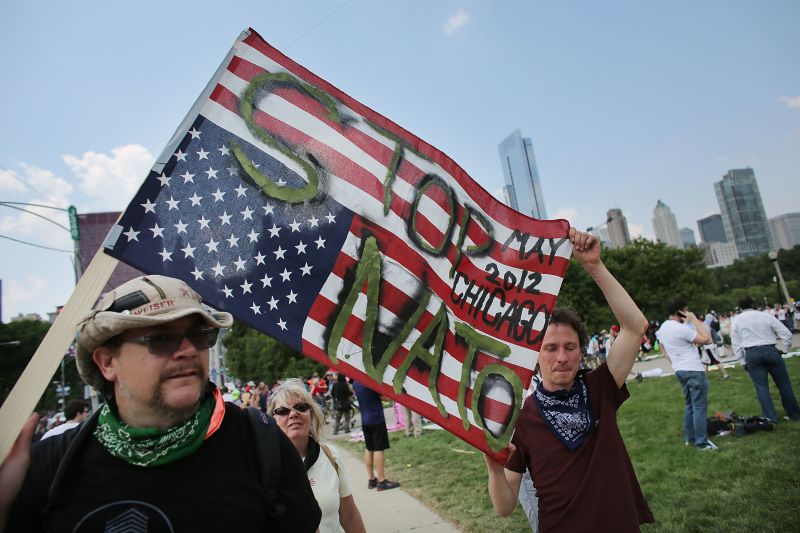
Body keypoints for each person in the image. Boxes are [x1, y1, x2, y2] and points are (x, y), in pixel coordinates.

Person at [0, 275, 320, 532]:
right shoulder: (48, 466)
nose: (188, 350)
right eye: (160, 338)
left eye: (199, 335)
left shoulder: (261, 445)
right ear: (107, 362)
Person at [483, 228, 654, 532]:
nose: (561, 357)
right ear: (535, 355)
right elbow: (505, 506)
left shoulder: (600, 388)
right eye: (550, 348)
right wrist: (494, 470)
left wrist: (593, 266)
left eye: (570, 347)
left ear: (580, 352)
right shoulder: (521, 418)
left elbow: (635, 327)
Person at [268, 378, 366, 533]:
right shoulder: (265, 467)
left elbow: (349, 516)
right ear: (272, 420)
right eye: (283, 411)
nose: (293, 414)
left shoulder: (330, 455)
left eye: (300, 407)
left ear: (311, 414)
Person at [656, 298, 715, 450]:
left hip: (679, 369)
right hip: (693, 369)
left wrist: (675, 362)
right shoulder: (680, 328)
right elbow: (706, 339)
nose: (688, 313)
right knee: (699, 407)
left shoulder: (663, 328)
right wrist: (694, 319)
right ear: (680, 311)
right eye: (686, 310)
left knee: (690, 405)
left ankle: (690, 438)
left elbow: (663, 349)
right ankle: (701, 442)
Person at [731, 296, 800, 422]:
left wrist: (742, 361)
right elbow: (786, 333)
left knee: (761, 387)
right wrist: (785, 349)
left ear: (740, 307)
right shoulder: (765, 315)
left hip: (752, 352)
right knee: (784, 385)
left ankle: (770, 418)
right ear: (753, 304)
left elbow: (736, 344)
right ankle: (794, 414)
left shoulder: (736, 320)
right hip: (770, 349)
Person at [351, 381, 400, 491]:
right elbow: (385, 397)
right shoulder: (370, 380)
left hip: (365, 419)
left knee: (369, 449)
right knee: (379, 449)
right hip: (376, 418)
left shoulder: (356, 382)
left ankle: (372, 479)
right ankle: (382, 481)